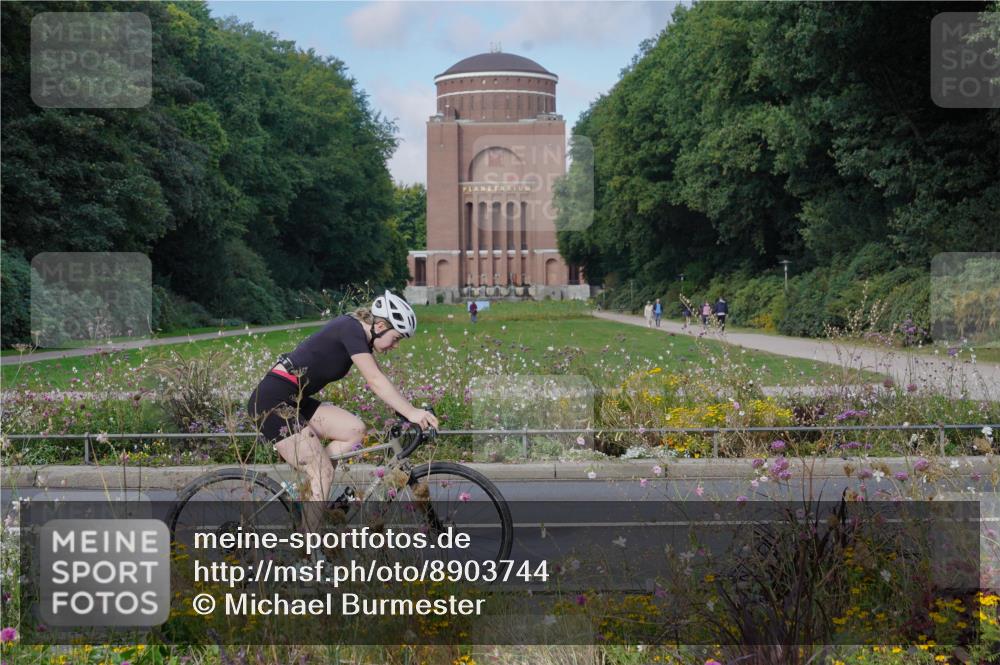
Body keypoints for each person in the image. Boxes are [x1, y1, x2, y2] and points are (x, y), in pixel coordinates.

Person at [247, 291, 439, 531]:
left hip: (294, 400)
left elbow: (381, 381)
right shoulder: (350, 329)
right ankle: (307, 556)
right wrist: (411, 413)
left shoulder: (358, 336)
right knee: (322, 470)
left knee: (355, 430)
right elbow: (375, 380)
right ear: (379, 325)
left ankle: (314, 495)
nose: (396, 345)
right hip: (272, 401)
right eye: (396, 338)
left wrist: (407, 410)